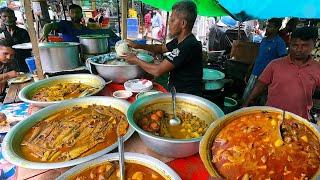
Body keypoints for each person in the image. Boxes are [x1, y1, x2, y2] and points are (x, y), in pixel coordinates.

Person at [122, 1, 203, 96]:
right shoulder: (179, 40)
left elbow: (158, 71)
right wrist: (138, 46)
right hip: (176, 91)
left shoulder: (188, 45)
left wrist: (135, 60)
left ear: (183, 23)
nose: (169, 23)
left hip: (187, 96)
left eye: (172, 20)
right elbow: (161, 48)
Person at [243, 27, 320, 120]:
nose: (299, 49)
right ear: (290, 43)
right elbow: (260, 85)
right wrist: (246, 103)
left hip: (299, 120)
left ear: (314, 44)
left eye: (305, 45)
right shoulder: (275, 64)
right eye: (295, 45)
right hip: (270, 116)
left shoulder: (317, 68)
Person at [242, 18, 287, 102]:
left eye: (270, 26)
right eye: (267, 26)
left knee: (260, 101)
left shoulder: (279, 42)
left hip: (266, 78)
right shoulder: (264, 40)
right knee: (247, 97)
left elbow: (283, 61)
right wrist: (250, 69)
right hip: (255, 73)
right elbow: (258, 56)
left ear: (276, 28)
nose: (267, 28)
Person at [40, 4, 119, 44]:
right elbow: (49, 25)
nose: (75, 15)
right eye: (72, 13)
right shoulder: (64, 24)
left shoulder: (85, 29)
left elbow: (97, 34)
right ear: (69, 14)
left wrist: (109, 32)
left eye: (77, 13)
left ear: (81, 14)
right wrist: (45, 34)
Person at [0, 7, 31, 73]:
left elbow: (28, 49)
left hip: (23, 64)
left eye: (10, 16)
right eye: (4, 16)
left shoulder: (23, 32)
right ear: (1, 18)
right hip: (7, 67)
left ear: (15, 18)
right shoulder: (1, 33)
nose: (8, 19)